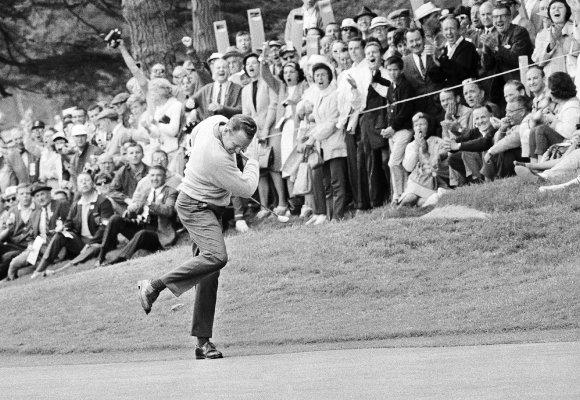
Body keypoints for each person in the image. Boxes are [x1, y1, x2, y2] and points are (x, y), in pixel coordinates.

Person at [137, 114, 259, 360]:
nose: (237, 151)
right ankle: (154, 286)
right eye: (235, 146)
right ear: (226, 131)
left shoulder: (214, 121)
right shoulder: (215, 157)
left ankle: (203, 343)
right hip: (195, 207)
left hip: (208, 205)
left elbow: (195, 136)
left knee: (208, 272)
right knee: (217, 257)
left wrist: (240, 153)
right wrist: (253, 160)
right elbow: (246, 189)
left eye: (242, 148)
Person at [32, 173, 113, 277]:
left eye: (87, 180)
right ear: (78, 186)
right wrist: (63, 227)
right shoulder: (76, 204)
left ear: (93, 183)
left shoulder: (103, 201)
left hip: (99, 242)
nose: (84, 183)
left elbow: (105, 228)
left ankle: (59, 271)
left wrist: (90, 243)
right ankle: (40, 269)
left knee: (93, 248)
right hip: (82, 242)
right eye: (81, 181)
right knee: (60, 235)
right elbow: (69, 222)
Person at [97, 165, 178, 266]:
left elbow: (169, 211)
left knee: (142, 233)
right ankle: (101, 256)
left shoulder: (171, 192)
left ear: (164, 177)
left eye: (158, 175)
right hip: (142, 226)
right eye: (152, 175)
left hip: (159, 234)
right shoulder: (147, 191)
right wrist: (131, 211)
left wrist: (149, 203)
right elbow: (138, 211)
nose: (155, 178)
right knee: (115, 219)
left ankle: (120, 259)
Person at [6, 182, 70, 280]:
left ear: (49, 194)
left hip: (57, 246)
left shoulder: (60, 204)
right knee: (14, 264)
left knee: (25, 270)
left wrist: (62, 227)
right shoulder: (36, 212)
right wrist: (31, 245)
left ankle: (40, 267)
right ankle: (9, 281)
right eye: (37, 195)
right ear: (35, 198)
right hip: (38, 247)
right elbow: (32, 234)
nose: (40, 198)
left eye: (42, 194)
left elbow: (70, 223)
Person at [380, 55, 415, 204]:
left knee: (393, 162)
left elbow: (405, 111)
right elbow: (389, 110)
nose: (392, 73)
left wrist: (392, 127)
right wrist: (387, 128)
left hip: (403, 129)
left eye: (395, 70)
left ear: (401, 70)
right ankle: (405, 194)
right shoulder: (391, 87)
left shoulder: (406, 86)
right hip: (393, 131)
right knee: (398, 163)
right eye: (389, 70)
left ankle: (398, 194)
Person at [529, 71, 580, 160]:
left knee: (542, 129)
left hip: (569, 145)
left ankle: (541, 166)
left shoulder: (572, 107)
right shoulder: (562, 104)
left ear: (557, 90)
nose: (547, 93)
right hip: (564, 141)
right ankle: (533, 163)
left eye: (549, 89)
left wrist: (554, 120)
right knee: (534, 130)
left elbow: (569, 133)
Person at [400, 112, 446, 207]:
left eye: (422, 124)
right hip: (416, 181)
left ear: (428, 126)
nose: (419, 127)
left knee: (421, 202)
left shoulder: (436, 140)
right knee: (411, 197)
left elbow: (443, 155)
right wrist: (417, 146)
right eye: (416, 125)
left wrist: (427, 151)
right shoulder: (411, 146)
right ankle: (397, 212)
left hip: (431, 182)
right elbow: (408, 167)